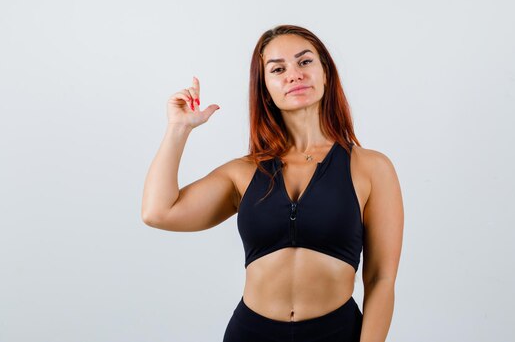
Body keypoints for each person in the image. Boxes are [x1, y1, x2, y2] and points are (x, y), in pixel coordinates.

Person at [141, 24, 404, 341]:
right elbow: (158, 212)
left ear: (326, 73)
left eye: (305, 62)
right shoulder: (244, 172)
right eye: (278, 69)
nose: (294, 74)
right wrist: (178, 129)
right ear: (265, 88)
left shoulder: (371, 168)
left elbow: (380, 279)